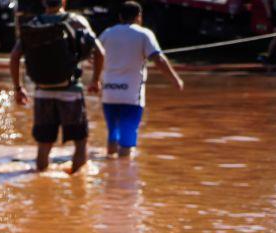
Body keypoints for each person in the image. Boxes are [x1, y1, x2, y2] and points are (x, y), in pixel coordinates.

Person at [10, 0, 104, 174]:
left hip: (42, 91)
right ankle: (78, 187)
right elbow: (100, 51)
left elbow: (15, 56)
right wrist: (96, 79)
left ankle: (41, 179)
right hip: (70, 91)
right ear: (63, 2)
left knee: (44, 143)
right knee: (80, 141)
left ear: (44, 3)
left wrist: (18, 88)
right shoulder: (76, 21)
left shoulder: (33, 24)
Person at [93, 1, 183, 158]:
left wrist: (95, 79)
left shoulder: (107, 33)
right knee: (127, 138)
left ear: (120, 17)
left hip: (109, 92)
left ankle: (110, 170)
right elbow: (158, 59)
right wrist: (175, 79)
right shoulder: (144, 34)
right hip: (131, 95)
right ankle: (121, 175)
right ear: (139, 16)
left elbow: (95, 54)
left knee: (112, 132)